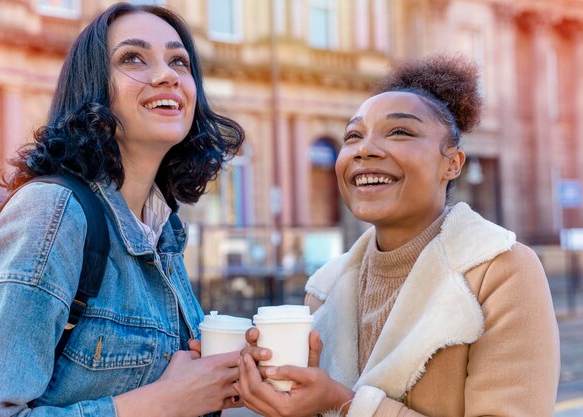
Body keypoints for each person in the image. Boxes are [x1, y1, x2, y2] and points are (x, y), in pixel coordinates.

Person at [0, 3, 245, 416]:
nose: (167, 75)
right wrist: (161, 405)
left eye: (179, 61)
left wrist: (240, 373)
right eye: (133, 58)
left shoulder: (160, 227)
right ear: (93, 88)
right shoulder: (54, 214)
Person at [235, 55, 560, 417]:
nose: (365, 149)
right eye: (353, 136)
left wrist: (342, 404)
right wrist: (280, 393)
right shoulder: (324, 288)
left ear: (451, 163)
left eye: (400, 132)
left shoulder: (502, 271)